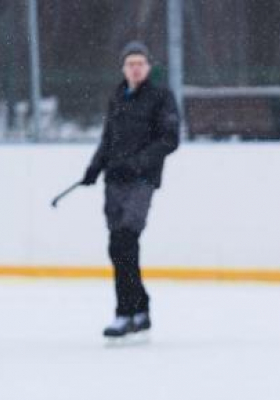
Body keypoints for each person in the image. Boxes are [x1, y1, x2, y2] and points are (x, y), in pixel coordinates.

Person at [81, 41, 180, 338]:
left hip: (142, 181)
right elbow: (107, 137)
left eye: (140, 63)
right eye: (130, 64)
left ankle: (125, 313)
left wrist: (137, 164)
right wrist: (94, 168)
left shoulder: (161, 97)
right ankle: (140, 309)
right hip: (114, 181)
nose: (135, 68)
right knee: (119, 246)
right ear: (123, 68)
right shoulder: (117, 97)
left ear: (148, 67)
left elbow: (169, 139)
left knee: (125, 238)